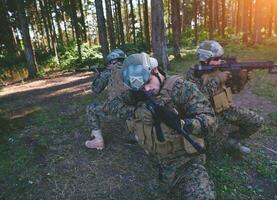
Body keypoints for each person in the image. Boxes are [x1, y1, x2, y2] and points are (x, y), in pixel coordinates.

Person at [120, 53, 217, 199]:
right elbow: (115, 103)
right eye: (141, 87)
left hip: (186, 163)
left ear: (156, 70)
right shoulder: (139, 92)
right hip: (158, 163)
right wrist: (137, 112)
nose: (146, 89)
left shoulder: (182, 89)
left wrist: (184, 124)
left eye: (148, 82)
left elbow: (211, 121)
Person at [186, 40, 264, 155]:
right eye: (216, 59)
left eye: (220, 58)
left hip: (226, 109)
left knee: (256, 122)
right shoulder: (193, 74)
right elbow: (198, 96)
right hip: (208, 116)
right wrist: (217, 80)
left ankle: (232, 141)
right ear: (205, 59)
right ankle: (220, 141)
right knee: (213, 152)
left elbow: (234, 90)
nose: (220, 61)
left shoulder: (220, 68)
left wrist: (243, 79)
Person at [85, 48, 134, 150]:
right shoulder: (132, 68)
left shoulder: (108, 72)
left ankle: (97, 141)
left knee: (91, 108)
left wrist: (99, 76)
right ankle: (134, 135)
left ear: (111, 61)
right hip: (136, 109)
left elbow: (96, 89)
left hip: (119, 108)